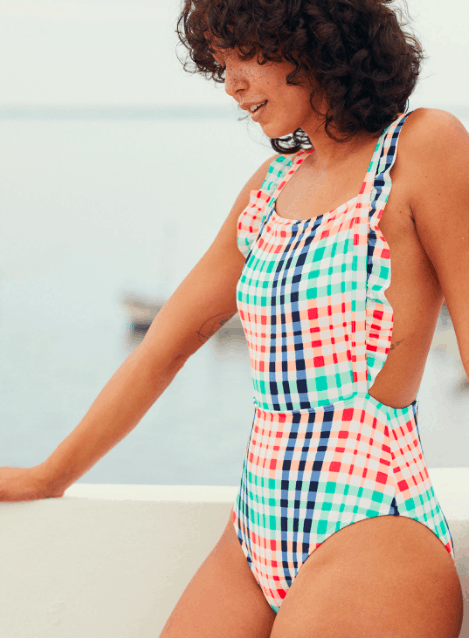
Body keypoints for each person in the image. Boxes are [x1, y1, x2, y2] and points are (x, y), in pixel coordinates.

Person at [0, 0, 467, 636]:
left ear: (316, 40)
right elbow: (166, 342)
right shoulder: (270, 186)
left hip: (371, 520)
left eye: (243, 55)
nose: (231, 84)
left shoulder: (423, 146)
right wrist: (49, 475)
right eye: (219, 64)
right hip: (253, 530)